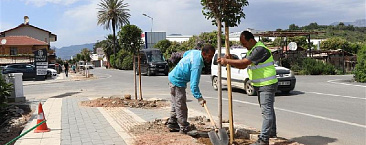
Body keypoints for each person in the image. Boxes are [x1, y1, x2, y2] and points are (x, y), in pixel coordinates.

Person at [217, 31, 278, 145]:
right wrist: (231, 58)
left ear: (251, 40)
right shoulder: (252, 49)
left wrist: (227, 61)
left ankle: (263, 139)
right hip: (262, 84)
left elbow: (243, 63)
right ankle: (271, 132)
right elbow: (242, 63)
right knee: (268, 109)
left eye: (244, 43)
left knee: (266, 111)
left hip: (267, 84)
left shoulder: (259, 49)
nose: (243, 45)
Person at [167, 44, 215, 134]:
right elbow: (194, 85)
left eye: (212, 56)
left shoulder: (195, 52)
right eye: (210, 56)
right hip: (177, 81)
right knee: (181, 105)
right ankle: (184, 127)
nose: (211, 58)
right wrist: (199, 98)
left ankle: (173, 122)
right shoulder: (197, 65)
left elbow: (186, 54)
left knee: (175, 102)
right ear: (204, 53)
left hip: (172, 77)